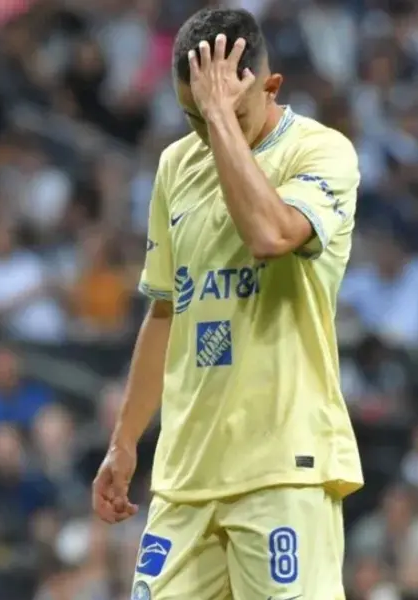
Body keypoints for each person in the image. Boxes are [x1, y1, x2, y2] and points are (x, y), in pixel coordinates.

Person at [90, 7, 363, 600]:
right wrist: (125, 438)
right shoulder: (175, 166)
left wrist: (219, 118)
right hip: (186, 474)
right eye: (191, 115)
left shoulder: (322, 154)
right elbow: (166, 309)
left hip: (283, 467)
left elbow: (272, 235)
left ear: (270, 87)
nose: (207, 131)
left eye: (226, 111)